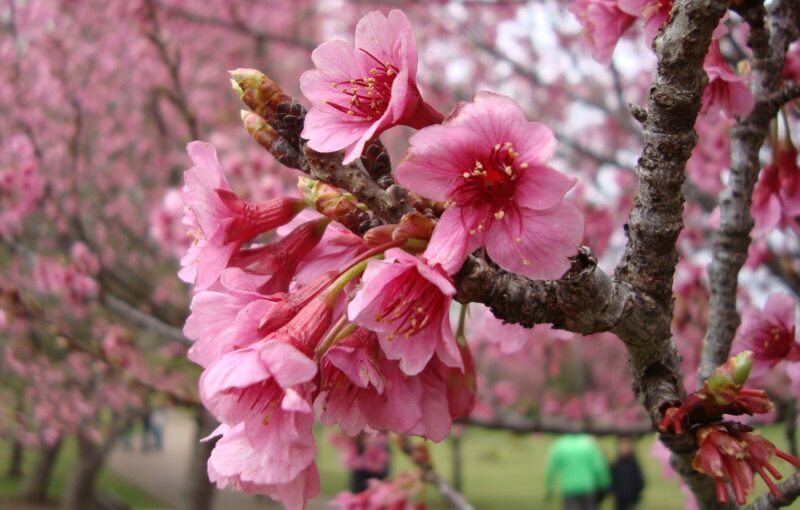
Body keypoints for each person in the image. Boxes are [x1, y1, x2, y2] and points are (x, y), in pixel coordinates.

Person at [544, 433, 611, 510]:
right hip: (587, 487)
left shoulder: (560, 445)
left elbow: (550, 470)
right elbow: (599, 467)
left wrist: (548, 489)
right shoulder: (589, 443)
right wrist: (604, 485)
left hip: (569, 489)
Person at [610, 437, 645, 510]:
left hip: (632, 497)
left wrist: (636, 492)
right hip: (619, 498)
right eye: (622, 446)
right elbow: (612, 479)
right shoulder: (616, 463)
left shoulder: (634, 463)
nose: (624, 448)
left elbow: (640, 480)